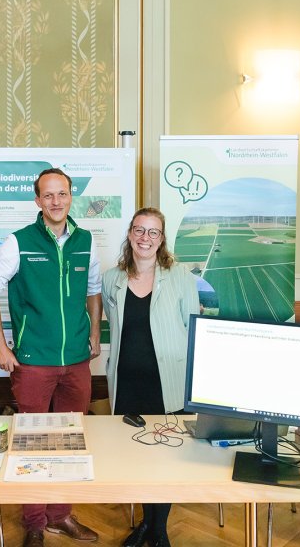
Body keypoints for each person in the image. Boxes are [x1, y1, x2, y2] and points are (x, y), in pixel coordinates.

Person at [0, 168, 102, 547]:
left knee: (70, 440)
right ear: (37, 200)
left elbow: (94, 291)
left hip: (76, 361)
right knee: (32, 443)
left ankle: (60, 515)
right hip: (33, 361)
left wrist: (95, 334)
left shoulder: (86, 240)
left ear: (71, 197)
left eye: (62, 194)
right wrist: (1, 346)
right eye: (48, 195)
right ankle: (34, 522)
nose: (56, 201)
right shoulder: (18, 242)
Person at [101, 207, 200, 547]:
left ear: (161, 239)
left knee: (166, 457)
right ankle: (146, 522)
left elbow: (192, 327)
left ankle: (158, 529)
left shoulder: (180, 276)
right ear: (130, 234)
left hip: (167, 381)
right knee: (138, 456)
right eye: (139, 230)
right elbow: (115, 324)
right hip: (128, 384)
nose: (145, 238)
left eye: (153, 232)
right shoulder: (112, 278)